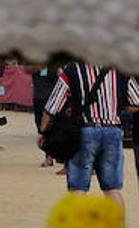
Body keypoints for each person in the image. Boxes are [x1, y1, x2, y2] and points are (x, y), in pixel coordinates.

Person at [39, 64, 139, 208]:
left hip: (83, 132)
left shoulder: (72, 70)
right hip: (112, 131)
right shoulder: (120, 70)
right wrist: (118, 107)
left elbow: (53, 105)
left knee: (78, 189)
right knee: (112, 190)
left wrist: (43, 131)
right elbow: (136, 101)